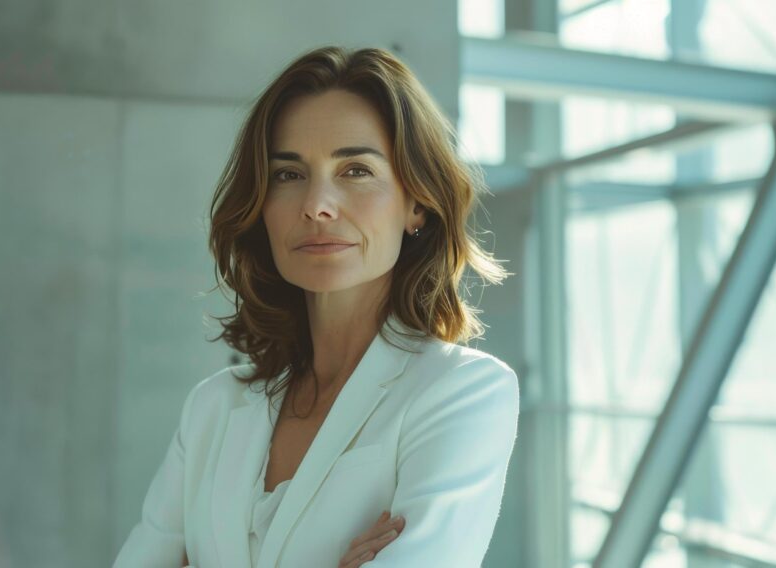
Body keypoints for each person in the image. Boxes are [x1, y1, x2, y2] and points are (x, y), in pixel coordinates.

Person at [113, 45, 520, 568]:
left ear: (416, 201)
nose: (317, 205)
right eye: (288, 174)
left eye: (355, 170)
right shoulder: (212, 408)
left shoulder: (461, 393)